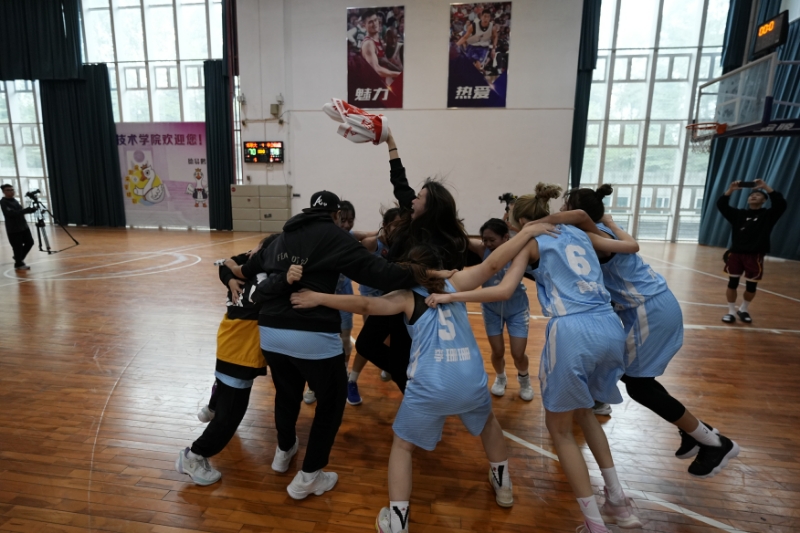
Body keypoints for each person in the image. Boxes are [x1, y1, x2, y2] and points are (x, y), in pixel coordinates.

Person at [291, 220, 557, 533]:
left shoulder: (405, 296)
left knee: (403, 447)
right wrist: (525, 233)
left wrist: (319, 297)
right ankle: (504, 487)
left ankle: (398, 521)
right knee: (489, 425)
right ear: (438, 266)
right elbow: (493, 263)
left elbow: (364, 303)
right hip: (470, 378)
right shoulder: (456, 283)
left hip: (431, 384)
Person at [428, 184, 642, 533]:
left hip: (573, 330)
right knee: (584, 411)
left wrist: (451, 297)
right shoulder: (578, 231)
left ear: (519, 222)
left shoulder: (531, 241)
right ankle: (618, 501)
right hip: (608, 325)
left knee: (560, 431)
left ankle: (595, 525)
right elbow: (593, 224)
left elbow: (503, 290)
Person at [237, 191, 425, 501]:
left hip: (269, 331)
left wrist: (228, 273)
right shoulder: (335, 236)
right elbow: (381, 273)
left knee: (287, 392)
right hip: (310, 333)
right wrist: (425, 272)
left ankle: (284, 451)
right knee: (332, 400)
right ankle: (309, 476)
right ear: (336, 215)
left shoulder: (283, 236)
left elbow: (246, 267)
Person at [558, 185, 740, 479]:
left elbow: (621, 246)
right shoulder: (602, 231)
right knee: (641, 380)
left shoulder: (594, 238)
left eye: (564, 205)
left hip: (649, 309)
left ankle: (714, 442)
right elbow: (624, 245)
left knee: (637, 384)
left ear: (576, 211)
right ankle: (693, 431)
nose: (560, 210)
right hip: (654, 305)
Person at [355, 130, 471, 394]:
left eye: (419, 197)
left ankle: (417, 393)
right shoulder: (414, 215)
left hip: (410, 306)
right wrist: (390, 142)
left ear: (429, 208)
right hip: (391, 294)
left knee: (400, 361)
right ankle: (412, 382)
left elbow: (440, 277)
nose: (412, 199)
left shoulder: (441, 243)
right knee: (366, 345)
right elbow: (399, 181)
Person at [176, 236, 285, 485]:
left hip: (230, 345)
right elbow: (232, 263)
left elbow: (229, 261)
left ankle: (213, 407)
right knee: (231, 416)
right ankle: (193, 457)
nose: (250, 253)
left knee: (226, 394)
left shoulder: (248, 272)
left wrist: (230, 273)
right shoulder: (265, 279)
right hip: (240, 354)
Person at [468, 218, 533, 400]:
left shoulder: (518, 251)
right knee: (497, 351)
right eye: (485, 240)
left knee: (518, 353)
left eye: (492, 240)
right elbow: (461, 238)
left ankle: (524, 380)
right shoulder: (483, 250)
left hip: (517, 308)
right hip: (491, 309)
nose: (488, 244)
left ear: (505, 237)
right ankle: (501, 377)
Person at [717, 179, 786, 324]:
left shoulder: (768, 216)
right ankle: (731, 311)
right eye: (751, 195)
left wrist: (766, 187)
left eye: (758, 195)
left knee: (751, 286)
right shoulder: (738, 215)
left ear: (764, 200)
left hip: (754, 256)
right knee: (732, 283)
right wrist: (730, 190)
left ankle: (744, 309)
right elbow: (721, 205)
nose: (754, 196)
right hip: (736, 254)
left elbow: (781, 204)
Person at [1, 184, 36, 271]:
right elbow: (11, 213)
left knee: (30, 242)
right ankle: (18, 264)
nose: (11, 191)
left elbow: (20, 211)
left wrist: (30, 210)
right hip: (13, 228)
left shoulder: (15, 200)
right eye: (8, 190)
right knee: (17, 246)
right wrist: (25, 210)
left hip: (23, 226)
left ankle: (18, 258)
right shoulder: (3, 202)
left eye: (12, 190)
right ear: (4, 192)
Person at [361, 9, 401, 83]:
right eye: (370, 22)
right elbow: (376, 70)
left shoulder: (379, 40)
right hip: (373, 85)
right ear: (364, 25)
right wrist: (399, 74)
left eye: (375, 20)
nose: (374, 24)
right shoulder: (368, 44)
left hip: (382, 83)